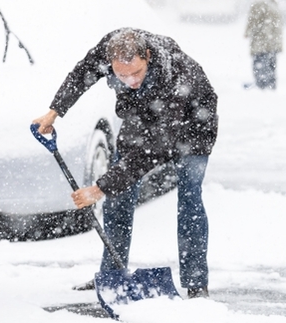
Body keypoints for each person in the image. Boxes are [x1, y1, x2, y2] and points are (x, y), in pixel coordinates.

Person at [32, 28, 218, 299]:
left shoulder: (175, 78)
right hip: (142, 115)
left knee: (189, 198)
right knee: (118, 195)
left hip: (193, 126)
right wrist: (54, 111)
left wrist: (98, 188)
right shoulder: (109, 47)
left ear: (148, 57)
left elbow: (149, 153)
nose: (130, 80)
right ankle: (112, 275)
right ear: (111, 64)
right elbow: (82, 74)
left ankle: (196, 283)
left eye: (136, 73)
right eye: (122, 75)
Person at [244, 0, 283, 90]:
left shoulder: (259, 4)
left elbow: (253, 20)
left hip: (261, 42)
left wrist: (247, 32)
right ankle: (270, 87)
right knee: (271, 66)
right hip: (274, 43)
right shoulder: (274, 6)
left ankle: (261, 87)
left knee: (260, 65)